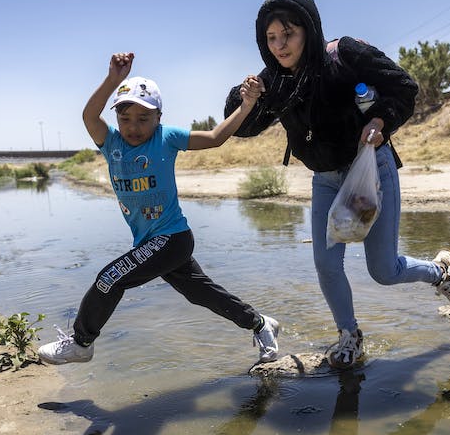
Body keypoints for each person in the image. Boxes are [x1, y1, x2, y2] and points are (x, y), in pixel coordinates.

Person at [224, 0, 450, 370]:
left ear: (307, 27)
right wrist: (246, 98)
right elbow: (243, 126)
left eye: (288, 33)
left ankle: (441, 272)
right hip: (324, 180)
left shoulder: (345, 55)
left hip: (371, 172)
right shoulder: (275, 80)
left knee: (384, 271)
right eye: (271, 37)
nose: (279, 45)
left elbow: (404, 87)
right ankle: (349, 335)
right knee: (326, 264)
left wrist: (381, 119)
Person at [38, 52, 280, 365]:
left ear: (158, 118)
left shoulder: (166, 139)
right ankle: (260, 323)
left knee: (109, 279)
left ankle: (82, 343)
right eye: (125, 119)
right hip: (150, 242)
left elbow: (216, 137)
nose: (133, 127)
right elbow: (89, 116)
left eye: (143, 119)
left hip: (172, 238)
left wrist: (247, 105)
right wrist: (113, 79)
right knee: (200, 293)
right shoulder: (112, 144)